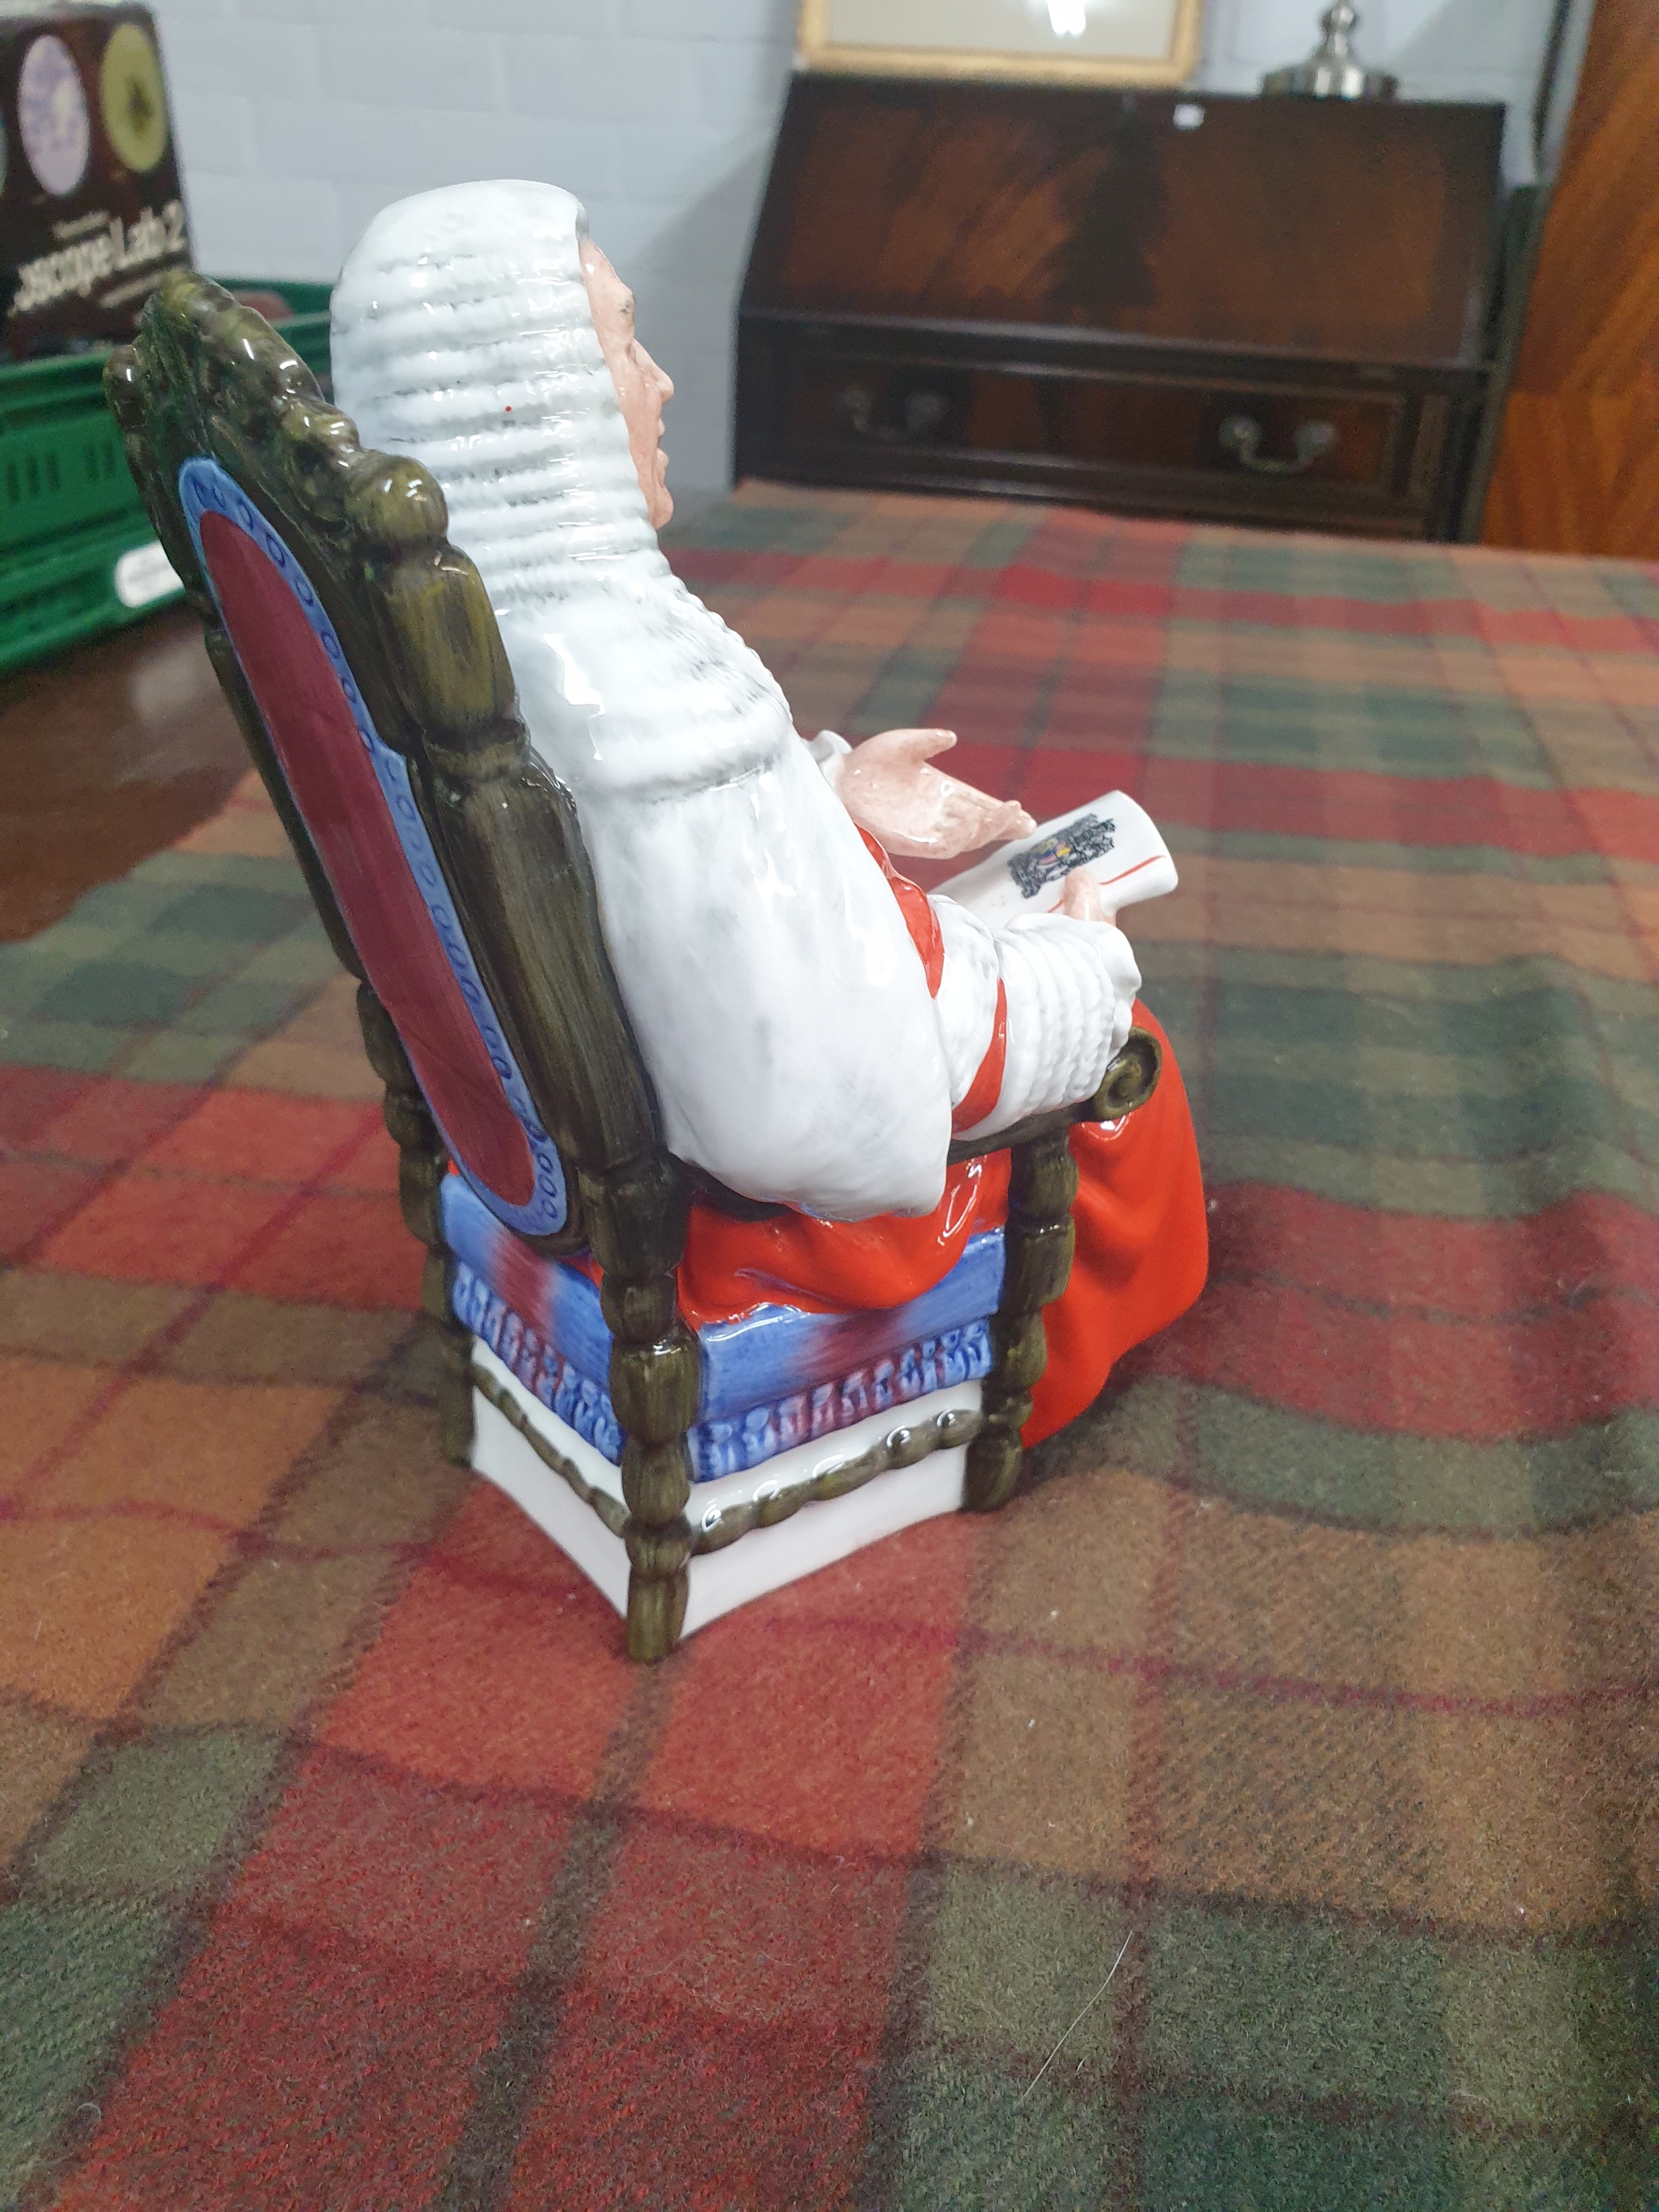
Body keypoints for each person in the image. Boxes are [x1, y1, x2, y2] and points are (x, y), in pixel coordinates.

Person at [331, 181, 1206, 1443]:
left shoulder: (451, 650)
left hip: (565, 1147)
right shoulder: (648, 708)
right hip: (739, 1221)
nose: (660, 382)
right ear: (541, 399)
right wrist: (1072, 976)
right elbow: (809, 1106)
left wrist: (823, 795)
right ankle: (1045, 1386)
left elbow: (637, 885)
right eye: (623, 344)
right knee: (1132, 1072)